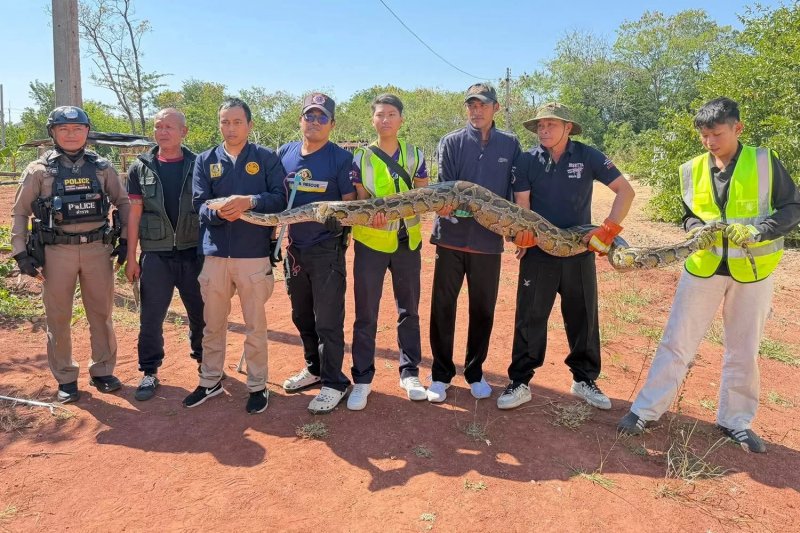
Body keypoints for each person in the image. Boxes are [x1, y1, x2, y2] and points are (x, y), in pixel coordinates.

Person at [618, 97, 800, 453]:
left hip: (753, 271)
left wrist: (760, 230)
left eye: (717, 133)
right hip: (703, 268)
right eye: (703, 135)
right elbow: (688, 215)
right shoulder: (691, 169)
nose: (710, 142)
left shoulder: (763, 162)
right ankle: (646, 411)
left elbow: (793, 207)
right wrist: (696, 227)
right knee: (678, 339)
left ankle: (736, 422)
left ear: (737, 128)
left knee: (743, 349)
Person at [496, 102, 635, 411]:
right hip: (540, 252)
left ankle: (584, 379)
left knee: (583, 315)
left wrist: (608, 229)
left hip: (579, 250)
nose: (544, 130)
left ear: (568, 127)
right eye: (540, 126)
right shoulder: (526, 160)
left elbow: (625, 191)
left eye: (552, 125)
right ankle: (520, 381)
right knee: (530, 316)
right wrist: (522, 234)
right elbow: (522, 205)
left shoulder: (588, 156)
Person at [11, 105, 130, 403]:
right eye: (64, 129)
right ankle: (66, 377)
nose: (72, 134)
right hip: (56, 252)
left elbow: (124, 202)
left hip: (97, 250)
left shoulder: (102, 167)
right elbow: (19, 212)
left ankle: (103, 371)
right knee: (58, 317)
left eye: (78, 129)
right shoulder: (38, 170)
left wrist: (126, 240)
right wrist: (21, 253)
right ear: (53, 133)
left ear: (87, 132)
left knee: (101, 315)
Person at [427, 83, 533, 403]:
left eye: (482, 105)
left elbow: (516, 193)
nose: (476, 110)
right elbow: (446, 190)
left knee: (483, 309)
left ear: (495, 108)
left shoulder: (510, 145)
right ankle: (441, 374)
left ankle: (475, 372)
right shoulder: (452, 142)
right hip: (451, 239)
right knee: (443, 307)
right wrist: (457, 206)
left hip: (488, 243)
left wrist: (519, 230)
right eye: (471, 105)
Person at [188, 98, 286, 414]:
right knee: (212, 324)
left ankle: (257, 386)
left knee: (254, 325)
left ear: (249, 125)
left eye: (237, 122)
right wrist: (220, 214)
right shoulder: (205, 160)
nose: (231, 128)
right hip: (215, 256)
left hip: (253, 256)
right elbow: (199, 204)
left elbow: (280, 199)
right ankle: (210, 380)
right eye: (225, 122)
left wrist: (250, 202)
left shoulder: (266, 158)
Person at [348, 93, 430, 411]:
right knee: (365, 314)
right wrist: (373, 213)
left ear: (401, 120)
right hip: (371, 242)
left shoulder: (414, 154)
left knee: (408, 311)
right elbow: (360, 199)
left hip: (408, 242)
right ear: (373, 119)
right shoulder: (361, 158)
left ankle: (409, 373)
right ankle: (362, 379)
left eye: (392, 114)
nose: (386, 120)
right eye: (380, 114)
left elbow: (423, 195)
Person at [278, 93, 356, 414]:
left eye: (321, 117)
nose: (314, 122)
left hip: (327, 250)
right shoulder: (285, 153)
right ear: (300, 120)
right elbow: (274, 195)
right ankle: (314, 368)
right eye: (309, 116)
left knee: (328, 320)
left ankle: (335, 382)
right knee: (301, 315)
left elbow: (351, 206)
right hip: (295, 250)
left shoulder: (340, 159)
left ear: (332, 124)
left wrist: (339, 223)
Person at [125, 108, 205, 401]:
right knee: (151, 317)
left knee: (200, 314)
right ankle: (149, 372)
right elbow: (133, 215)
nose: (162, 131)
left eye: (169, 126)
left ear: (183, 132)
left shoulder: (199, 165)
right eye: (158, 126)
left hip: (192, 253)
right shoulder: (140, 167)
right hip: (156, 254)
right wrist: (132, 257)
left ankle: (204, 365)